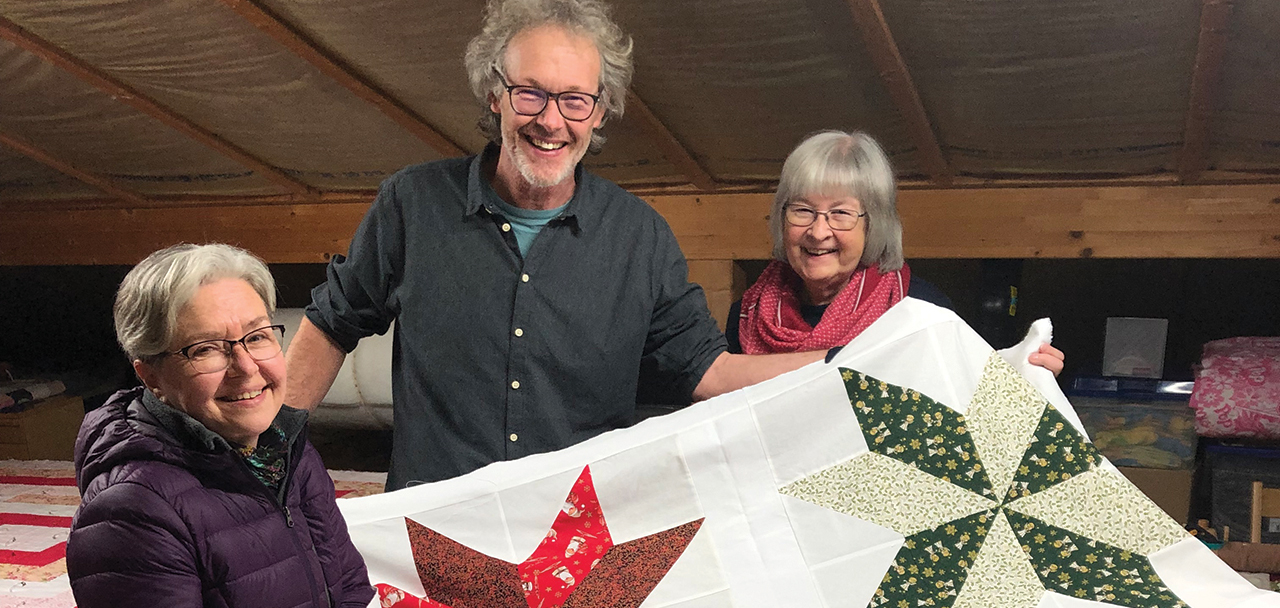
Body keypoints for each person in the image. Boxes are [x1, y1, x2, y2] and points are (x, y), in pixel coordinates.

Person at [286, 0, 822, 491]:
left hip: (575, 540)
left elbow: (711, 371)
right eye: (530, 93)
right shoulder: (412, 203)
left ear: (600, 110)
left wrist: (851, 363)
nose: (550, 120)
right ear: (495, 94)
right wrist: (266, 453)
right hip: (435, 529)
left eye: (574, 100)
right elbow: (333, 324)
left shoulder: (640, 237)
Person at [67, 244, 374, 608]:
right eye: (206, 349)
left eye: (258, 336)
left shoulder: (284, 448)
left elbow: (350, 588)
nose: (246, 367)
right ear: (151, 376)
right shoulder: (131, 513)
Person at [728, 130, 1065, 374]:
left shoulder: (920, 311)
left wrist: (1028, 375)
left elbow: (969, 403)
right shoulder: (747, 315)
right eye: (802, 210)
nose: (818, 232)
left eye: (841, 213)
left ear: (874, 224)